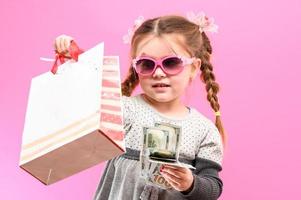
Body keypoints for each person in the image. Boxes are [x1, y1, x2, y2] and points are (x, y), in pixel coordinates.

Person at [54, 12, 226, 200]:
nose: (159, 73)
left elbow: (212, 188)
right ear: (136, 68)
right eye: (146, 64)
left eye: (171, 62)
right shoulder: (125, 110)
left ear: (193, 68)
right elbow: (89, 96)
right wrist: (75, 58)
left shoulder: (204, 131)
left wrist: (190, 183)